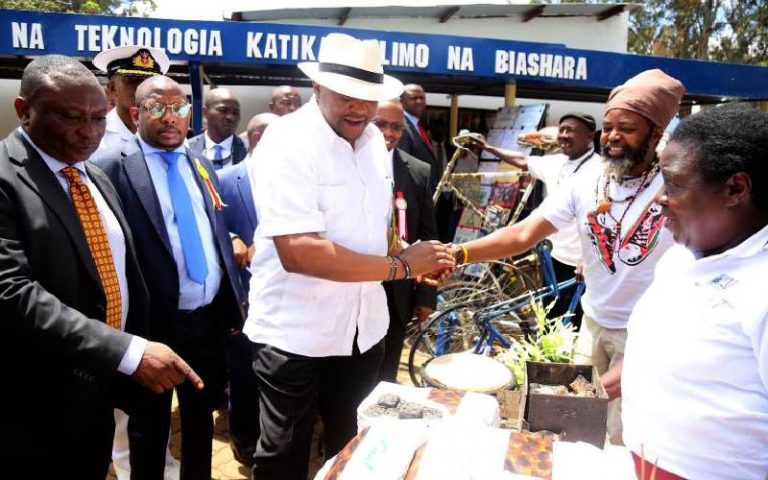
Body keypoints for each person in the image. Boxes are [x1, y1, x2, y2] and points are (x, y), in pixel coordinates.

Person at [244, 32, 454, 480]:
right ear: (317, 88)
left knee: (353, 446)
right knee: (283, 455)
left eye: (370, 98)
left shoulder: (374, 142)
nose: (360, 108)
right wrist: (401, 267)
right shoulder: (287, 141)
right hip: (295, 334)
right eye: (347, 96)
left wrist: (418, 257)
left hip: (364, 329)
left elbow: (375, 231)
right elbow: (299, 252)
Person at [449, 69, 685, 445]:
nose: (612, 137)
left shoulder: (677, 184)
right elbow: (525, 233)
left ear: (656, 133)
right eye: (608, 127)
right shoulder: (588, 179)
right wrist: (456, 252)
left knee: (628, 437)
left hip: (648, 333)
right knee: (577, 429)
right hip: (592, 323)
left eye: (627, 128)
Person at [0, 55, 201, 479]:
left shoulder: (92, 175)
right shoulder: (5, 180)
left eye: (98, 117)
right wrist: (126, 351)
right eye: (71, 117)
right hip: (32, 402)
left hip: (97, 392)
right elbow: (12, 293)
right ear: (24, 111)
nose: (90, 132)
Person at [95, 75, 246, 480]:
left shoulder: (201, 164)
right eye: (156, 108)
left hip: (207, 322)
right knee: (148, 431)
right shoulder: (110, 167)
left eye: (178, 108)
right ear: (134, 113)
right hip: (153, 328)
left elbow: (212, 233)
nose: (169, 118)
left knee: (199, 424)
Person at [620, 104, 768, 480]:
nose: (658, 199)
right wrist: (584, 389)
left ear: (735, 189)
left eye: (673, 185)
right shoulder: (680, 259)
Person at [476, 112, 601, 328]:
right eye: (561, 130)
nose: (563, 135)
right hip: (554, 257)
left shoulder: (600, 169)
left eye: (570, 130)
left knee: (574, 323)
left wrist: (590, 257)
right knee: (549, 317)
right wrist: (488, 148)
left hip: (583, 264)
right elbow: (523, 160)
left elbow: (604, 219)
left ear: (589, 136)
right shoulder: (557, 162)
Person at [216, 112, 276, 466]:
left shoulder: (295, 179)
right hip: (241, 296)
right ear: (255, 138)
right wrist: (233, 237)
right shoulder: (223, 179)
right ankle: (244, 441)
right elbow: (210, 225)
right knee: (242, 373)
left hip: (284, 297)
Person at [371, 99, 439, 382]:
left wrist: (426, 297)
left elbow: (428, 234)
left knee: (386, 373)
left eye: (396, 127)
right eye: (380, 124)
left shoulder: (418, 171)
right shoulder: (343, 163)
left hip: (398, 293)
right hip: (351, 286)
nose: (388, 133)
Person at [91, 45, 170, 163]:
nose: (143, 88)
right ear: (112, 88)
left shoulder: (170, 133)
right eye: (133, 80)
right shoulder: (94, 135)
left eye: (149, 81)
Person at [188, 88, 246, 170]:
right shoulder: (187, 149)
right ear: (205, 112)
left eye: (235, 113)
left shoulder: (250, 150)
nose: (231, 117)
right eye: (223, 111)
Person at [398, 83, 440, 190]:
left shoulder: (419, 126)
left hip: (426, 192)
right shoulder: (401, 126)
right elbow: (403, 165)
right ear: (402, 101)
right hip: (413, 194)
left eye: (422, 98)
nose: (419, 101)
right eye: (414, 98)